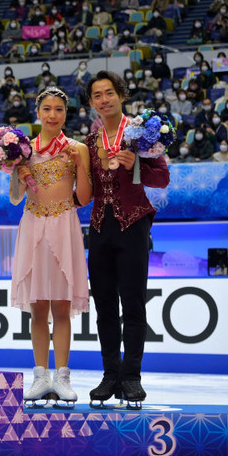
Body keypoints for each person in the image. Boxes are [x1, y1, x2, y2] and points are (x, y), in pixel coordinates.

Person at [85, 71, 170, 408]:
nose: (104, 99)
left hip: (133, 225)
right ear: (91, 103)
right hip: (98, 227)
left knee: (133, 304)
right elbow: (85, 189)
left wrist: (138, 164)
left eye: (109, 93)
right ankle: (110, 375)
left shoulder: (140, 135)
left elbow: (161, 178)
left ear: (120, 95)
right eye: (97, 95)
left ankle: (131, 377)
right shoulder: (88, 144)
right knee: (104, 306)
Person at [11, 87, 92, 406]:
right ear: (37, 111)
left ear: (66, 113)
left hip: (64, 225)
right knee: (38, 306)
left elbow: (84, 198)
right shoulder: (22, 149)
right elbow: (15, 197)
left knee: (61, 306)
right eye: (47, 108)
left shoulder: (78, 148)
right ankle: (40, 376)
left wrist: (80, 166)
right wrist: (19, 173)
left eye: (59, 109)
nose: (53, 114)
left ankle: (62, 376)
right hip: (33, 226)